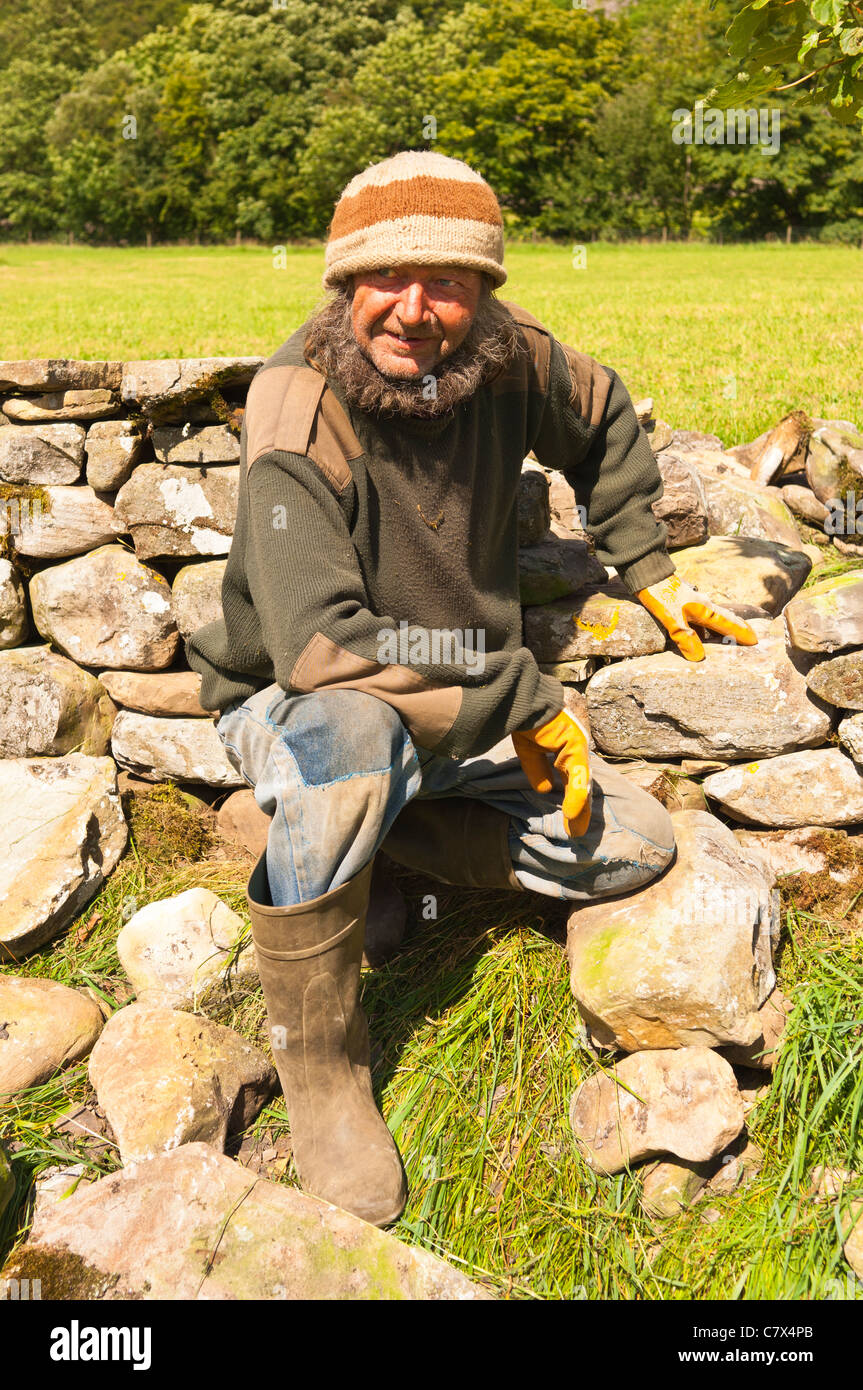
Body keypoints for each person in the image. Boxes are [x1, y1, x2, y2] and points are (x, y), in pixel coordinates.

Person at [186, 150, 757, 1228]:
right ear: (339, 282)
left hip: (451, 707)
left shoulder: (508, 359)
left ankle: (378, 846)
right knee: (351, 740)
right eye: (383, 281)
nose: (413, 311)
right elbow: (320, 649)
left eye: (447, 281)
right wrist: (523, 698)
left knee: (632, 844)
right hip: (301, 697)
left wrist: (649, 568)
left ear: (485, 290)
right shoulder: (294, 409)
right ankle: (320, 1068)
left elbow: (601, 414)